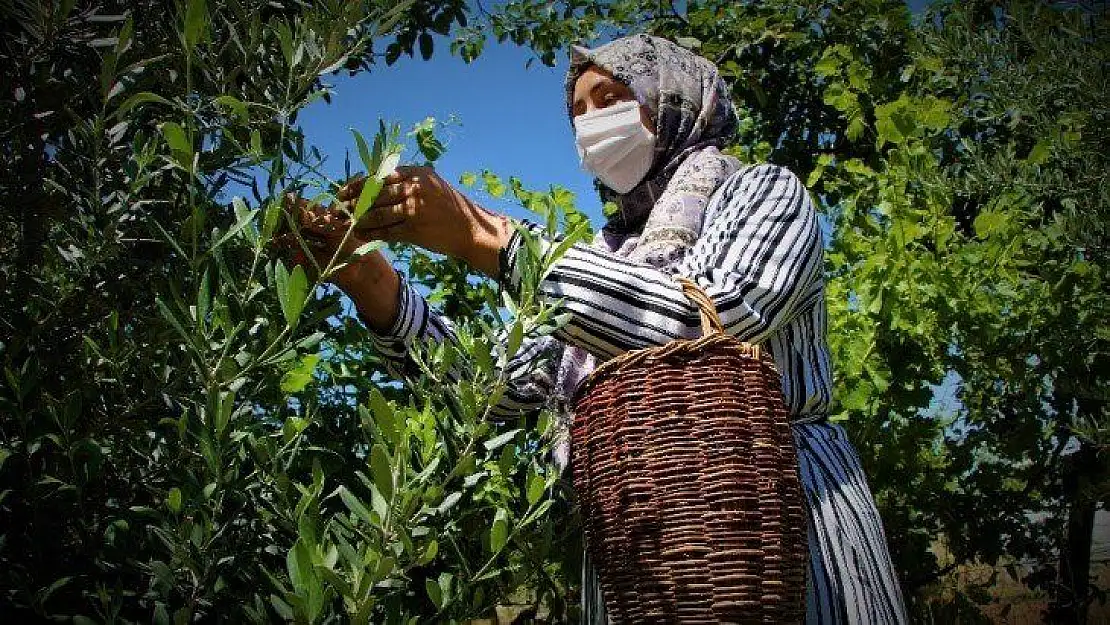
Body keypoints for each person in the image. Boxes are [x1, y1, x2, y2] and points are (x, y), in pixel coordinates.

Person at [287, 34, 909, 625]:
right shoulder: (604, 255)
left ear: (674, 100)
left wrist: (485, 238)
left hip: (777, 518)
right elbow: (497, 392)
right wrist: (373, 286)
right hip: (635, 540)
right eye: (579, 113)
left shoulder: (765, 194)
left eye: (610, 100)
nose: (592, 125)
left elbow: (712, 321)